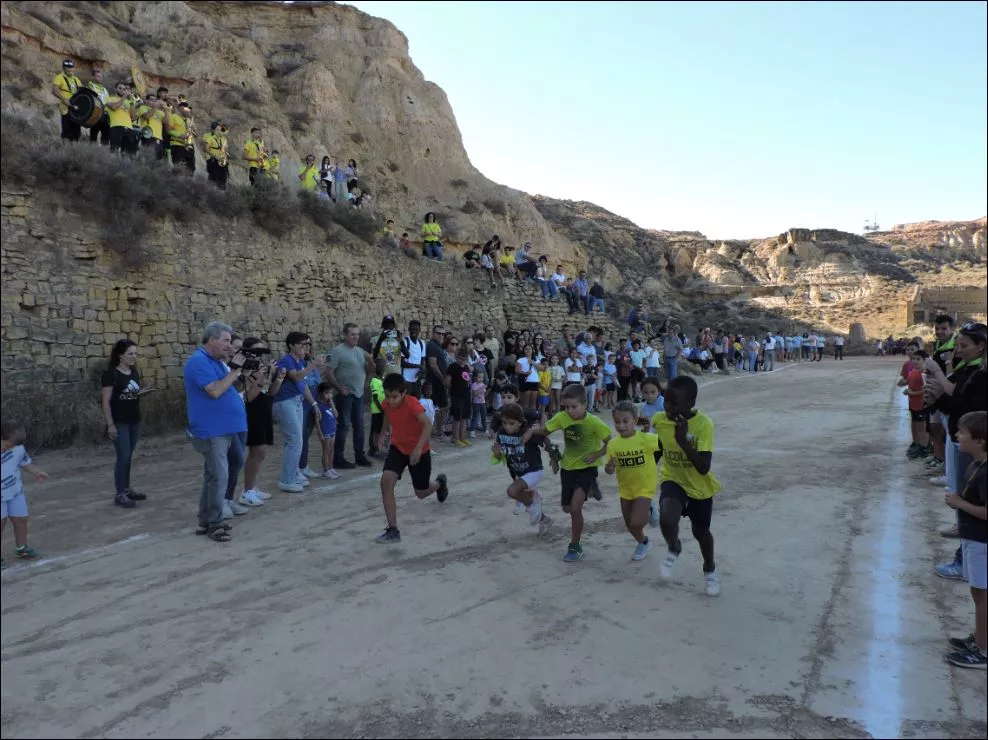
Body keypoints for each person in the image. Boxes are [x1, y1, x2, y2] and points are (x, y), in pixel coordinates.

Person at [524, 383, 611, 562]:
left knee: (575, 508)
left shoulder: (594, 422)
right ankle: (591, 488)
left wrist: (597, 454)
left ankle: (575, 546)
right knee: (566, 508)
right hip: (567, 468)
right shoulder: (562, 417)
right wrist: (530, 431)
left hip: (587, 468)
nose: (570, 411)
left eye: (574, 407)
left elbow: (611, 442)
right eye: (566, 407)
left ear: (584, 404)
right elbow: (545, 430)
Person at [651, 376, 721, 596]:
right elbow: (659, 449)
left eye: (674, 403)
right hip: (673, 479)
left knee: (701, 532)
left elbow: (703, 467)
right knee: (667, 517)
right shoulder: (659, 420)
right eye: (666, 400)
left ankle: (709, 569)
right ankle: (674, 546)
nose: (668, 406)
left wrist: (682, 441)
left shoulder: (704, 424)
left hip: (700, 487)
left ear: (690, 403)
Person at [182, 322, 247, 543]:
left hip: (225, 427)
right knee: (219, 475)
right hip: (212, 429)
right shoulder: (198, 361)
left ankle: (205, 520)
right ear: (212, 340)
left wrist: (238, 370)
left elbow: (232, 388)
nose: (230, 345)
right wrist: (235, 371)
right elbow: (215, 391)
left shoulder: (217, 362)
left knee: (215, 474)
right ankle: (215, 523)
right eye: (226, 341)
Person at [374, 374, 450, 543]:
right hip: (398, 448)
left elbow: (427, 425)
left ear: (403, 393)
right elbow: (387, 416)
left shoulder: (412, 404)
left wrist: (417, 449)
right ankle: (393, 530)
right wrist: (383, 434)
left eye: (395, 397)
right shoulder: (386, 403)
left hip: (419, 450)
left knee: (421, 493)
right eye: (388, 396)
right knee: (386, 482)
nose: (391, 401)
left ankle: (439, 483)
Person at [943, 411, 987, 669]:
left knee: (982, 595)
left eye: (962, 433)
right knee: (977, 592)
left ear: (980, 440)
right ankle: (981, 637)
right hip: (973, 539)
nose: (957, 436)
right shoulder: (976, 463)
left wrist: (960, 503)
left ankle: (983, 650)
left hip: (982, 542)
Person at [101, 338, 154, 509]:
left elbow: (132, 394)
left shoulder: (133, 372)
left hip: (134, 420)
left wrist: (142, 393)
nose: (134, 357)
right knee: (123, 456)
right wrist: (110, 424)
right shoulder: (111, 375)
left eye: (135, 353)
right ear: (120, 355)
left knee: (128, 456)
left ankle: (126, 489)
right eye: (130, 354)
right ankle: (120, 493)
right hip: (119, 422)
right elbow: (106, 402)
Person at [604, 401, 661, 561]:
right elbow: (608, 470)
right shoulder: (613, 444)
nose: (621, 425)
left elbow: (667, 444)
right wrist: (609, 467)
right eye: (617, 422)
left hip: (645, 487)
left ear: (634, 421)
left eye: (625, 421)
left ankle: (649, 509)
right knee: (630, 524)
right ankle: (643, 542)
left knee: (636, 523)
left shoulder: (646, 439)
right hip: (626, 489)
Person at [272, 332, 323, 492]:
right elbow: (296, 377)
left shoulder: (299, 361)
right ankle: (287, 479)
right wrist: (313, 365)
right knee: (295, 440)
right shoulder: (287, 360)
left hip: (296, 401)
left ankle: (293, 473)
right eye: (302, 344)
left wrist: (313, 403)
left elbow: (302, 385)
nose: (306, 347)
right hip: (285, 401)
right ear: (291, 345)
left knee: (295, 440)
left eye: (308, 344)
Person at [491, 403, 553, 534]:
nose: (507, 426)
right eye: (504, 423)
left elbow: (546, 439)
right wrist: (497, 454)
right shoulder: (501, 432)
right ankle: (544, 520)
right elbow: (501, 455)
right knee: (522, 495)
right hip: (518, 473)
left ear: (520, 422)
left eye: (511, 423)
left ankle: (533, 502)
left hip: (533, 470)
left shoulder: (527, 433)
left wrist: (553, 455)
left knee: (512, 491)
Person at [326, 323, 376, 468]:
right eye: (352, 334)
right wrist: (339, 388)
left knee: (359, 426)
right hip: (345, 395)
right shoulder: (337, 351)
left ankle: (359, 456)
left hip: (358, 394)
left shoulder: (360, 351)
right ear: (345, 335)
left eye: (357, 334)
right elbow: (328, 372)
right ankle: (338, 458)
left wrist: (371, 361)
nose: (356, 337)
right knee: (343, 426)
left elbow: (371, 369)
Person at [240, 337, 283, 506]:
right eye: (256, 351)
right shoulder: (246, 371)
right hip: (253, 413)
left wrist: (277, 377)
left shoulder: (263, 368)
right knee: (257, 451)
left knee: (260, 453)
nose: (260, 355)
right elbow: (249, 397)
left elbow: (271, 392)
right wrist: (261, 378)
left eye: (262, 351)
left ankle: (251, 487)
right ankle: (247, 491)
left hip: (265, 411)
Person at [1, 420, 49, 563]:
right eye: (7, 445)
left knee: (21, 520)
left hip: (16, 491)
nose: (10, 449)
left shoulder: (18, 448)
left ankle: (21, 549)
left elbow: (25, 462)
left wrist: (37, 472)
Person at [903, 350, 933, 457]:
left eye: (918, 359)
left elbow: (926, 389)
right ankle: (918, 444)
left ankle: (924, 447)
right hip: (914, 404)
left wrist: (913, 392)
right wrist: (908, 390)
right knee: (916, 425)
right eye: (913, 359)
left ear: (925, 361)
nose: (915, 361)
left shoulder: (924, 374)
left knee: (922, 427)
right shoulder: (913, 372)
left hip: (922, 404)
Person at [426, 325, 451, 438]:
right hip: (435, 381)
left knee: (441, 406)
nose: (441, 336)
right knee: (441, 406)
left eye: (443, 334)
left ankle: (438, 430)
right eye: (439, 333)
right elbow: (432, 364)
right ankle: (437, 430)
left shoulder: (438, 346)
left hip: (438, 381)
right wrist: (442, 380)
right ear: (433, 334)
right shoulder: (432, 345)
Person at [446, 347, 473, 447]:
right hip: (457, 395)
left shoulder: (466, 367)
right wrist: (452, 391)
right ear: (456, 357)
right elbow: (447, 381)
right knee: (457, 417)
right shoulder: (452, 367)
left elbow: (468, 379)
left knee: (464, 417)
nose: (463, 361)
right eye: (461, 359)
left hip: (466, 394)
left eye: (465, 359)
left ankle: (462, 438)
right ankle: (455, 438)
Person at [314, 381, 340, 479]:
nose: (329, 395)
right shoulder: (318, 406)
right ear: (321, 393)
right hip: (325, 431)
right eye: (327, 393)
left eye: (331, 393)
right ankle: (326, 470)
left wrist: (332, 403)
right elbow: (317, 421)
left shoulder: (330, 404)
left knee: (332, 449)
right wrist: (320, 433)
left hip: (332, 429)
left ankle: (330, 467)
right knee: (326, 450)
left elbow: (336, 415)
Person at [51, 59, 82, 141]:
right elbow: (54, 90)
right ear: (64, 68)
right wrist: (63, 99)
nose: (69, 69)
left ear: (73, 68)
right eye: (67, 67)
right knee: (66, 130)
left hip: (75, 108)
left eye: (71, 67)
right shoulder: (59, 77)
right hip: (66, 108)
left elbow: (81, 93)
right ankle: (65, 147)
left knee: (76, 132)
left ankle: (74, 147)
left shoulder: (76, 79)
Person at [105, 81, 138, 155]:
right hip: (116, 127)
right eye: (120, 88)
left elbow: (133, 117)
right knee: (114, 151)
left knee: (127, 153)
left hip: (129, 128)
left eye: (124, 89)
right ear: (115, 89)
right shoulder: (110, 98)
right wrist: (125, 96)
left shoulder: (127, 101)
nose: (122, 90)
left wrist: (131, 102)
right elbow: (114, 107)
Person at [167, 102, 196, 174]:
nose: (188, 111)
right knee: (179, 168)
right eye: (186, 109)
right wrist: (180, 135)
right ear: (180, 108)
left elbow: (195, 134)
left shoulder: (189, 120)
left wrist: (193, 131)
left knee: (191, 169)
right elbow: (168, 130)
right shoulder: (173, 116)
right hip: (177, 145)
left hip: (189, 146)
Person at [372, 314, 403, 378]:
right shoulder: (374, 339)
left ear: (394, 326)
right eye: (386, 323)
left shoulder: (398, 339)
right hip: (381, 376)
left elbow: (407, 355)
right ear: (383, 325)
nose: (389, 326)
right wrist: (381, 339)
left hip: (396, 375)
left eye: (391, 324)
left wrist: (401, 341)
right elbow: (373, 356)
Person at [401, 320, 427, 397]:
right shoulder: (405, 342)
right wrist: (418, 366)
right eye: (412, 329)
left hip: (416, 380)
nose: (414, 331)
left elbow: (422, 361)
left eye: (416, 329)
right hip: (406, 379)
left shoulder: (422, 343)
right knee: (406, 402)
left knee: (416, 401)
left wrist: (421, 371)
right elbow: (402, 363)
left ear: (420, 330)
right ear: (409, 329)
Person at [86, 66, 110, 145]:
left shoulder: (104, 89)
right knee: (94, 134)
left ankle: (104, 149)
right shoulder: (91, 85)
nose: (100, 78)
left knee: (106, 133)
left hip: (104, 114)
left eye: (101, 77)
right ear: (93, 77)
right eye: (98, 76)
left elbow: (108, 101)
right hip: (95, 113)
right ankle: (93, 148)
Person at [368, 360, 387, 458]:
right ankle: (373, 449)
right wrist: (382, 410)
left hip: (382, 410)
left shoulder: (382, 380)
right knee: (375, 431)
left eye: (383, 366)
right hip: (377, 410)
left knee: (379, 430)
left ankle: (378, 448)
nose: (382, 368)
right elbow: (375, 398)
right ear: (376, 368)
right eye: (380, 366)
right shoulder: (374, 381)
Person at [202, 120, 229, 190]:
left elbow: (226, 149)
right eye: (217, 130)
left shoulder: (224, 139)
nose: (219, 131)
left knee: (223, 179)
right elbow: (205, 148)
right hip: (213, 160)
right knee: (213, 179)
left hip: (222, 161)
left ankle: (221, 192)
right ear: (214, 131)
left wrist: (225, 155)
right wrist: (215, 156)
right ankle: (211, 193)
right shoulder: (210, 138)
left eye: (220, 130)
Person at [469, 370, 488, 439]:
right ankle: (472, 431)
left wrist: (486, 390)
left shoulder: (482, 384)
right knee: (475, 417)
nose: (481, 379)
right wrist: (482, 388)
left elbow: (484, 394)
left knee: (484, 416)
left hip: (483, 402)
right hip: (476, 403)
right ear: (475, 377)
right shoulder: (474, 385)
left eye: (482, 377)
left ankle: (485, 429)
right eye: (479, 377)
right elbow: (475, 393)